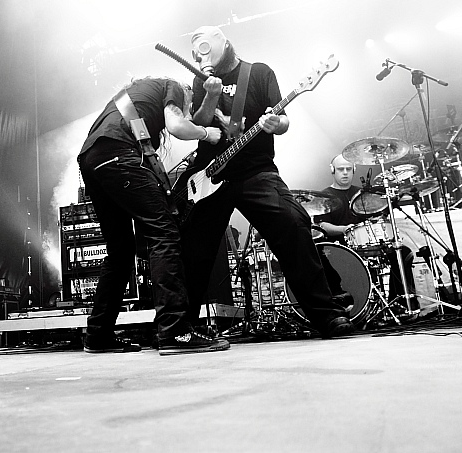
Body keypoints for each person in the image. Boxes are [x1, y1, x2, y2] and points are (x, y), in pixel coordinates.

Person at [179, 25, 354, 338]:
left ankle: (327, 315)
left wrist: (276, 123)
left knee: (293, 222)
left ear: (226, 45)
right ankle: (182, 326)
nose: (206, 58)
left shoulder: (258, 73)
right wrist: (211, 94)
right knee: (193, 247)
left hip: (255, 171)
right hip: (210, 174)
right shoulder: (200, 80)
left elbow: (284, 121)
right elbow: (199, 123)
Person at [78, 76, 231, 355]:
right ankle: (175, 332)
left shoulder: (129, 99)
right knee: (164, 233)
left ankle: (98, 335)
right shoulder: (172, 85)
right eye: (189, 107)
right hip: (118, 153)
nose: (187, 111)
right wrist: (207, 133)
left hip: (92, 159)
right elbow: (176, 125)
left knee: (120, 251)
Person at [316, 153, 417, 312]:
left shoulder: (363, 194)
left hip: (370, 244)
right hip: (342, 247)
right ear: (332, 170)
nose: (345, 172)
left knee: (403, 253)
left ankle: (399, 303)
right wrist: (345, 229)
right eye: (341, 169)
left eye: (348, 169)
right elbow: (323, 226)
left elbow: (376, 218)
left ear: (354, 169)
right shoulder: (324, 196)